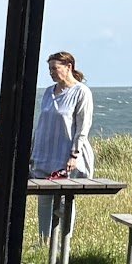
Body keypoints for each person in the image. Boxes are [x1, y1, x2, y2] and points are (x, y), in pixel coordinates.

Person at [30, 50, 95, 253]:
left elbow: (82, 127)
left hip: (66, 155)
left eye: (55, 68)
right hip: (44, 153)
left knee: (65, 200)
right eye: (49, 69)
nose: (51, 72)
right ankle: (44, 242)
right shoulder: (48, 92)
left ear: (69, 67)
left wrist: (74, 154)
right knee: (44, 199)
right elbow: (41, 123)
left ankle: (63, 243)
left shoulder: (81, 92)